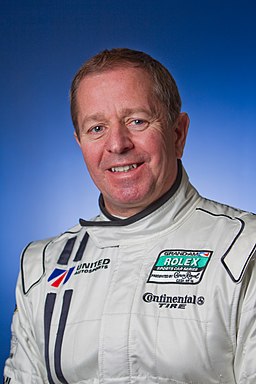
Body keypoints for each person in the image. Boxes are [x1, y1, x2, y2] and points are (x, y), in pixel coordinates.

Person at [4, 48, 256, 384]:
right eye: (97, 128)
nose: (118, 144)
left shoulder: (244, 251)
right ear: (79, 142)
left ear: (178, 133)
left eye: (136, 121)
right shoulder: (42, 265)